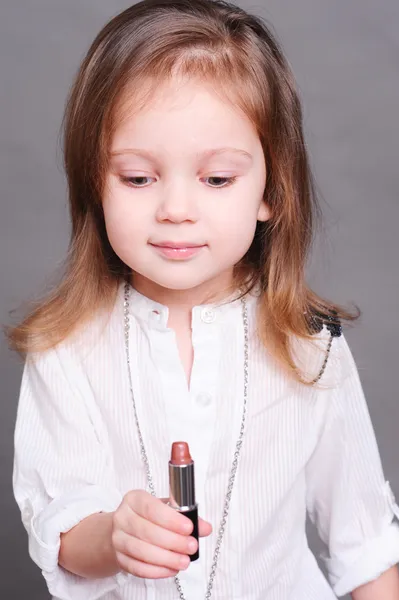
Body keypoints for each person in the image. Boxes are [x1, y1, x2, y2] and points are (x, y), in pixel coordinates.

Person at [7, 0, 399, 598]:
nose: (176, 209)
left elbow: (365, 546)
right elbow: (60, 525)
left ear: (272, 190)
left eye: (217, 179)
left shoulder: (309, 344)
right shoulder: (67, 347)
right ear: (96, 182)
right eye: (138, 178)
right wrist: (115, 535)